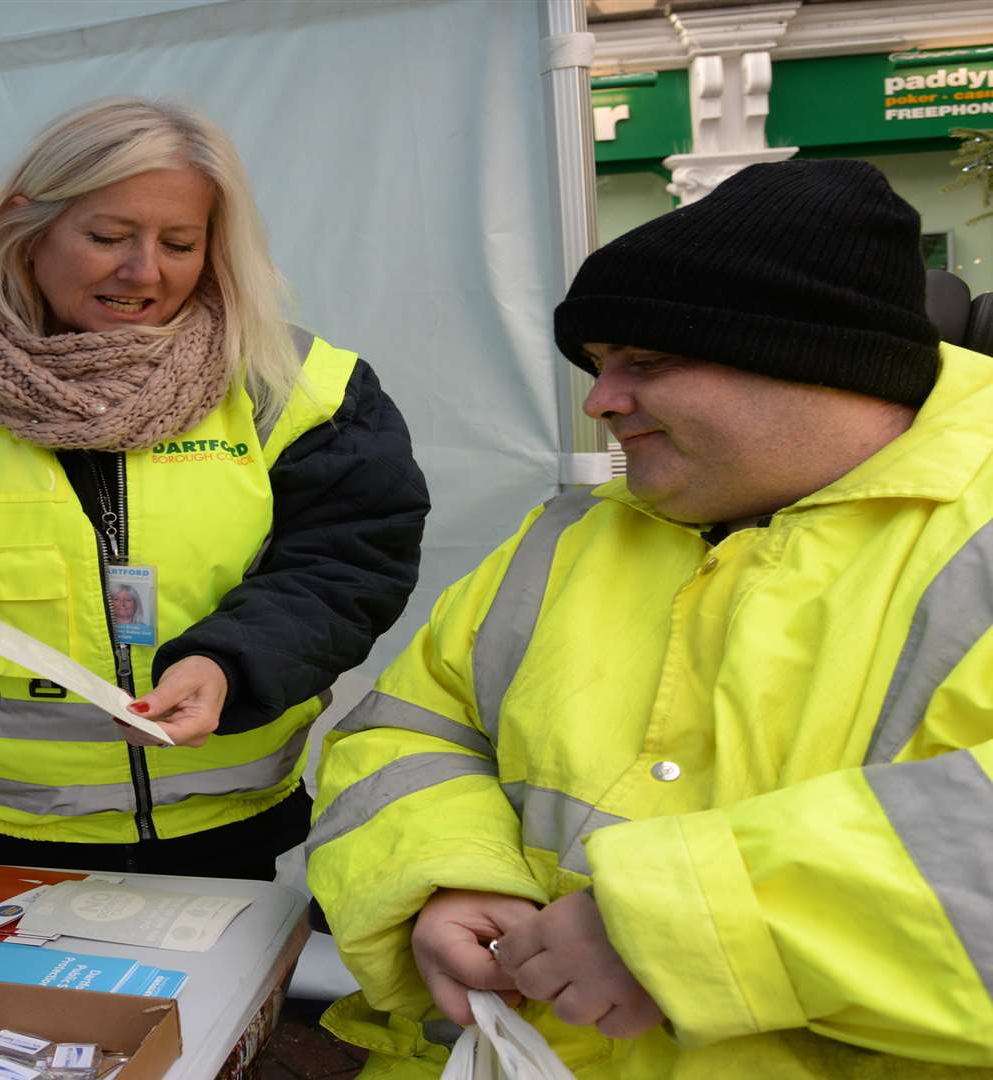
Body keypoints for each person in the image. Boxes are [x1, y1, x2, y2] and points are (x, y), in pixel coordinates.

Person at [307, 159, 993, 1077]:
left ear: (813, 358)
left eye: (646, 362)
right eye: (598, 367)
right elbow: (406, 728)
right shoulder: (577, 532)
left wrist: (680, 928)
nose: (599, 402)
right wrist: (446, 878)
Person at [0, 98, 429, 879]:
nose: (144, 271)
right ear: (25, 225)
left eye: (180, 243)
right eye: (108, 237)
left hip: (236, 827)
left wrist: (234, 664)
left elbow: (352, 562)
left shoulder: (294, 385)